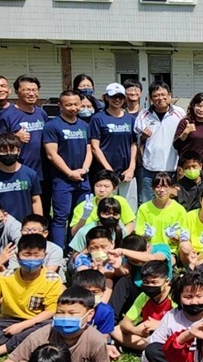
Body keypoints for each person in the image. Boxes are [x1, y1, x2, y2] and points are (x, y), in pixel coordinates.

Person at [44, 90, 93, 247]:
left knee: (81, 216)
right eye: (69, 104)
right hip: (62, 180)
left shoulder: (84, 125)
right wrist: (69, 173)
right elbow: (52, 154)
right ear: (60, 105)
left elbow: (89, 149)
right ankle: (59, 252)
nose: (73, 108)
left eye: (76, 104)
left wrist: (84, 169)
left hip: (83, 179)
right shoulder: (52, 126)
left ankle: (76, 249)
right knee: (61, 217)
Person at [134, 81, 186, 203]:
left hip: (172, 167)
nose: (160, 98)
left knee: (172, 202)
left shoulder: (180, 113)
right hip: (150, 168)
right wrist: (143, 137)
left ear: (169, 95)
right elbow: (136, 139)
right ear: (151, 98)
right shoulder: (143, 114)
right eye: (156, 96)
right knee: (146, 202)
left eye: (163, 94)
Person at [89, 82, 138, 211]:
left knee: (129, 208)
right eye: (113, 97)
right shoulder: (98, 118)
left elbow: (134, 144)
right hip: (105, 172)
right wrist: (109, 170)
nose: (117, 100)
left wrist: (131, 167)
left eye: (120, 97)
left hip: (126, 172)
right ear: (106, 98)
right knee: (106, 208)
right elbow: (95, 146)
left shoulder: (130, 119)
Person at [0, 75, 48, 179]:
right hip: (18, 171)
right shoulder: (7, 115)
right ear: (17, 92)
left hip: (42, 171)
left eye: (34, 90)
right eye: (26, 90)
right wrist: (13, 137)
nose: (31, 94)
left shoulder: (42, 113)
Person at [114, 261, 172, 351]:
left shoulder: (174, 297)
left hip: (169, 333)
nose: (150, 286)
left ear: (167, 282)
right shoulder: (143, 296)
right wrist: (135, 330)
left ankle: (154, 347)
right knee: (115, 330)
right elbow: (125, 322)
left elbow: (183, 323)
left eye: (154, 282)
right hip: (148, 334)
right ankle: (153, 347)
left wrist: (160, 324)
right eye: (146, 282)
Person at [172, 91, 203, 177]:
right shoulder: (185, 122)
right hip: (186, 167)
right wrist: (186, 132)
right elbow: (176, 145)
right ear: (193, 106)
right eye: (198, 106)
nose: (201, 110)